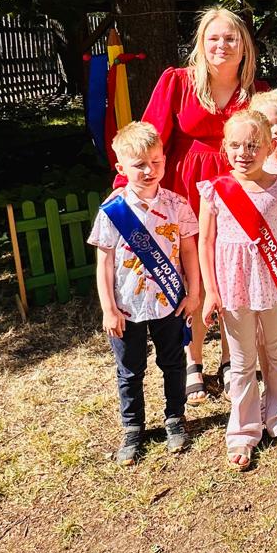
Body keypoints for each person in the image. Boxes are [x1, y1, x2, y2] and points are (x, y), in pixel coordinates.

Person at [133, 7, 266, 402]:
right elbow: (150, 137)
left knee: (230, 270)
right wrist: (128, 186)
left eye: (231, 38)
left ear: (244, 46)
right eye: (214, 38)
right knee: (191, 275)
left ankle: (231, 359)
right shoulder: (177, 82)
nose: (222, 45)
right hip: (185, 189)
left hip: (237, 190)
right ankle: (193, 360)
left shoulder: (257, 92)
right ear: (201, 43)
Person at [87, 121, 202, 466]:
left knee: (173, 362)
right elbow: (104, 263)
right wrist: (109, 309)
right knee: (130, 370)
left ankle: (175, 418)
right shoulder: (113, 210)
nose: (149, 171)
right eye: (139, 165)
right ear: (121, 167)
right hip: (127, 306)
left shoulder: (178, 205)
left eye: (156, 162)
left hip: (169, 302)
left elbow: (189, 251)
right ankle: (133, 428)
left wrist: (194, 292)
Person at [197, 110, 277, 470]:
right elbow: (206, 242)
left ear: (270, 147)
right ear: (224, 147)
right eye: (236, 145)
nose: (244, 153)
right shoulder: (215, 190)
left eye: (253, 145)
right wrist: (211, 291)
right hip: (233, 287)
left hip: (274, 284)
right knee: (242, 362)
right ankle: (243, 430)